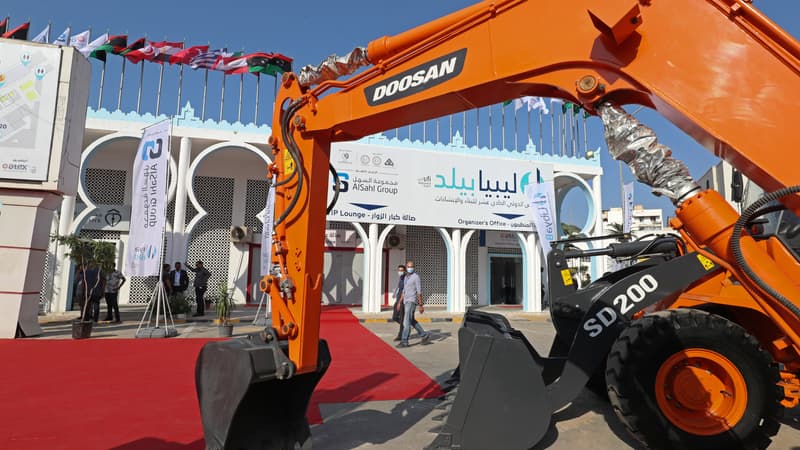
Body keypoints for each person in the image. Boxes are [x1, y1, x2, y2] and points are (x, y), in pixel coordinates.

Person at [397, 260, 430, 348]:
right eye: (408, 266)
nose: (410, 268)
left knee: (406, 321)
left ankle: (404, 341)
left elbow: (419, 292)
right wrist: (400, 302)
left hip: (411, 301)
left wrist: (421, 305)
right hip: (405, 301)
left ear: (413, 267)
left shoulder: (416, 277)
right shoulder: (406, 277)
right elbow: (404, 291)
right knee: (411, 320)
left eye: (411, 266)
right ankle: (424, 335)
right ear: (406, 267)